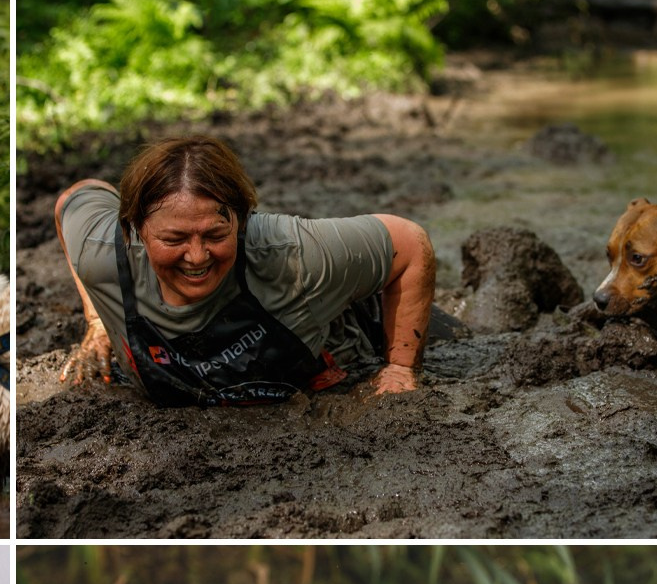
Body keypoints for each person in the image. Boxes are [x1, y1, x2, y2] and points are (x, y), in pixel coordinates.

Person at [51, 135, 433, 404]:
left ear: (242, 221)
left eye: (215, 234)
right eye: (174, 240)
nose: (197, 257)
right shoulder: (102, 252)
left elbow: (411, 243)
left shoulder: (293, 250)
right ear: (136, 228)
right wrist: (98, 321)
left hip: (346, 342)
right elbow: (74, 197)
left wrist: (399, 367)